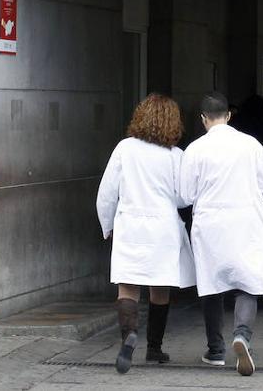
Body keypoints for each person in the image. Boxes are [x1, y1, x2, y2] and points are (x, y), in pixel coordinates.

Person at [179, 92, 263, 377]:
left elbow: (186, 194)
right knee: (247, 283)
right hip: (246, 220)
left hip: (210, 224)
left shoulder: (195, 149)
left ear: (203, 119)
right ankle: (241, 336)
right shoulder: (250, 144)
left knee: (211, 283)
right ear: (229, 115)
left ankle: (215, 351)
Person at [96, 94, 196, 375]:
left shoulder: (124, 149)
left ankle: (128, 335)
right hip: (163, 227)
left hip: (130, 224)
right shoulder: (176, 156)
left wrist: (107, 225)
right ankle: (154, 347)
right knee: (159, 288)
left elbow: (106, 193)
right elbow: (183, 198)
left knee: (128, 286)